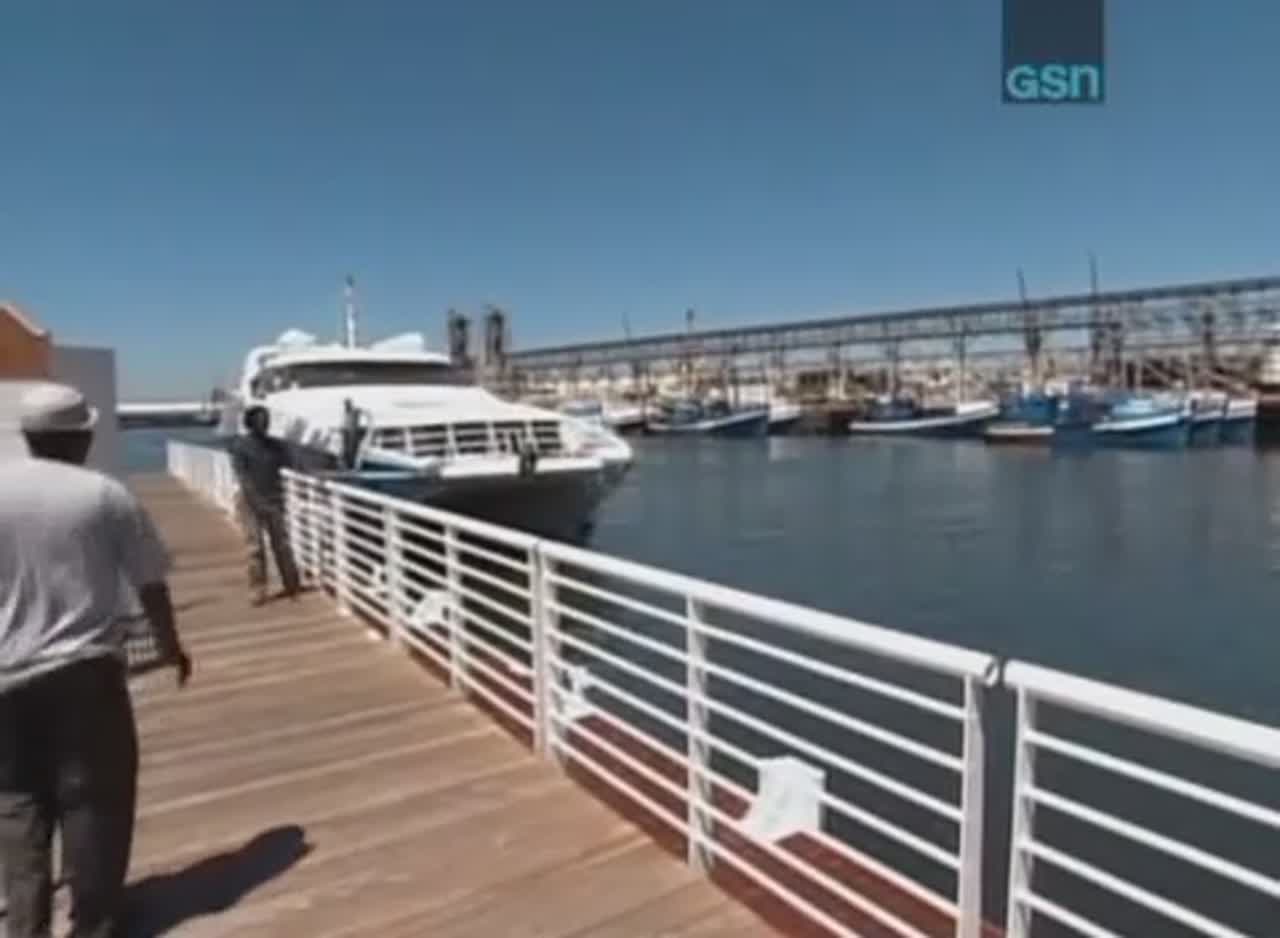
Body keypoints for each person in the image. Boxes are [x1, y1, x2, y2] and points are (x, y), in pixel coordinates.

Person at [0, 382, 192, 938]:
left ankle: (26, 926)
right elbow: (150, 582)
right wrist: (170, 646)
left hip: (6, 677)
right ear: (80, 437)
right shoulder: (104, 496)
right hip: (85, 673)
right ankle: (93, 923)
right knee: (93, 801)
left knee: (17, 807)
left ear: (27, 435)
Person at [229, 405, 301, 605]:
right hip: (249, 502)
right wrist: (257, 501)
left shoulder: (275, 446)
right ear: (251, 423)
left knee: (282, 545)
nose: (265, 423)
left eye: (267, 419)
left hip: (273, 499)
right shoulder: (240, 446)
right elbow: (243, 477)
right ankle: (258, 590)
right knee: (255, 548)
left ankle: (291, 584)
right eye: (261, 419)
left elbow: (294, 464)